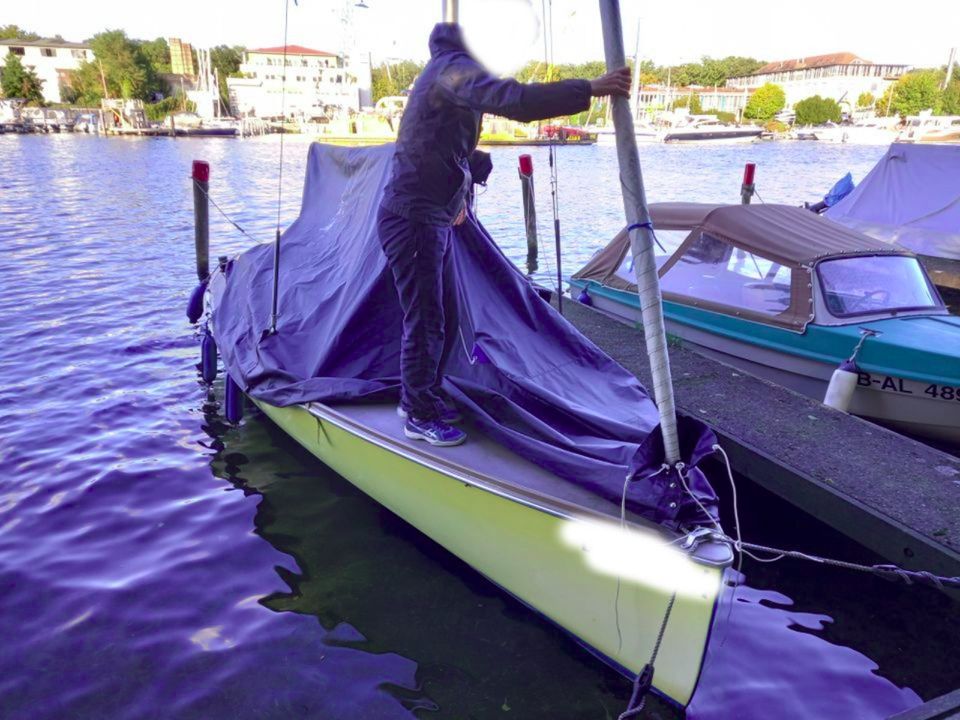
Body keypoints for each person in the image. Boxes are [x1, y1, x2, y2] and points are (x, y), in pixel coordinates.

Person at [378, 21, 631, 447]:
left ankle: (419, 396)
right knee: (426, 320)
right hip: (414, 219)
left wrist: (463, 186)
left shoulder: (448, 70)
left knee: (446, 315)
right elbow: (516, 101)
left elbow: (439, 143)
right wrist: (591, 87)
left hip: (429, 215)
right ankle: (417, 414)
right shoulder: (453, 70)